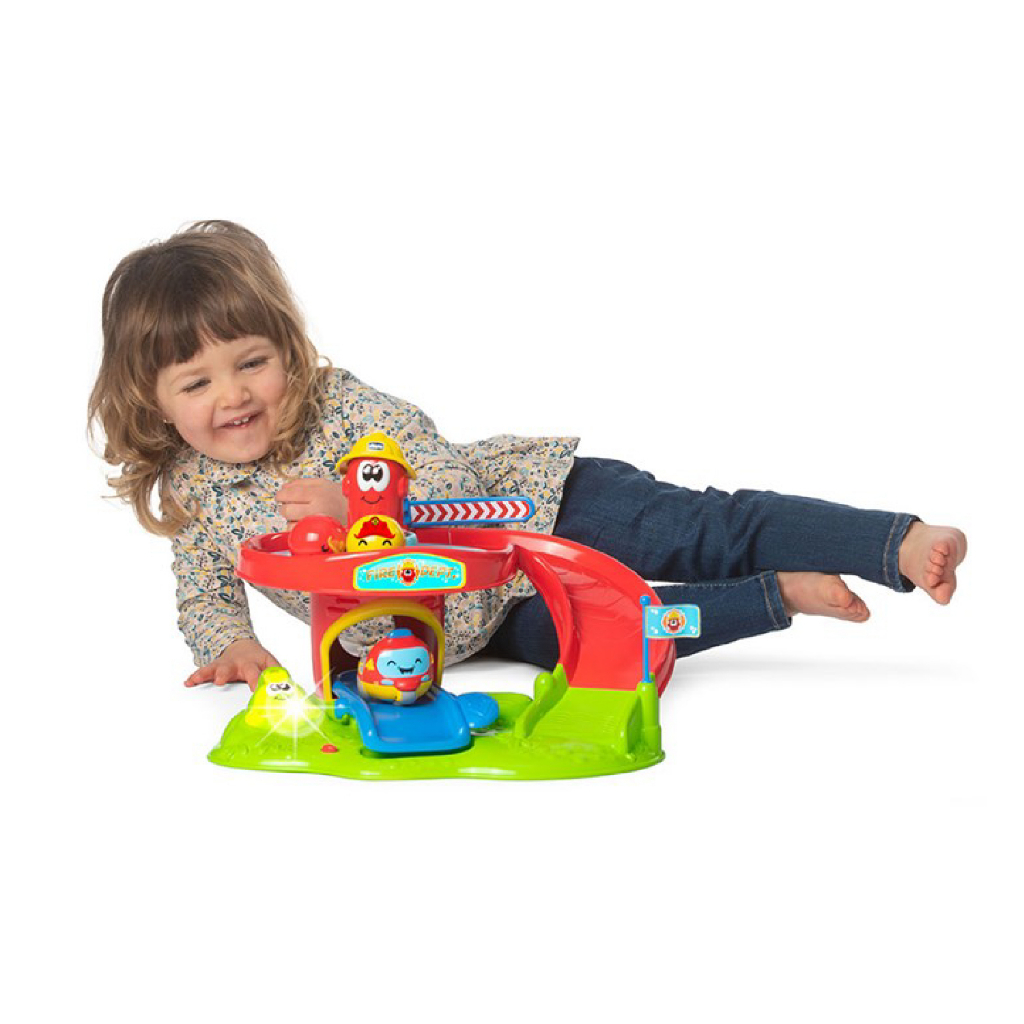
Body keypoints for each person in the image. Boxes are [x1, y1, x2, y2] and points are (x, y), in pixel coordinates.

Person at [88, 221, 967, 691]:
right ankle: (779, 597)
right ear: (152, 400)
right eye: (196, 382)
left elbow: (441, 469)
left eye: (251, 363)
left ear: (286, 349)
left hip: (539, 506)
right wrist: (233, 641)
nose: (233, 395)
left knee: (702, 530)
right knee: (617, 637)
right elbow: (204, 585)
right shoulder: (195, 493)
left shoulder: (338, 407)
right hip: (474, 627)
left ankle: (891, 541)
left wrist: (362, 510)